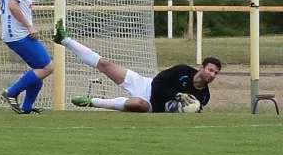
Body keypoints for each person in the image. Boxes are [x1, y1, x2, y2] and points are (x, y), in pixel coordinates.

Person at [52, 19, 220, 113]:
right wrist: (177, 95)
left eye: (216, 73)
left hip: (154, 106)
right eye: (210, 70)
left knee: (136, 104)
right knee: (105, 63)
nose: (212, 74)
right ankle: (64, 40)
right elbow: (157, 83)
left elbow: (191, 111)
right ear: (201, 67)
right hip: (146, 85)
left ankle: (92, 102)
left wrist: (193, 110)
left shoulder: (204, 95)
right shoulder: (183, 70)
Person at [0, 0, 54, 114]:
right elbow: (13, 6)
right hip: (19, 34)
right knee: (48, 67)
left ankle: (27, 107)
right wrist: (29, 26)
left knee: (39, 69)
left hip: (13, 34)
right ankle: (11, 92)